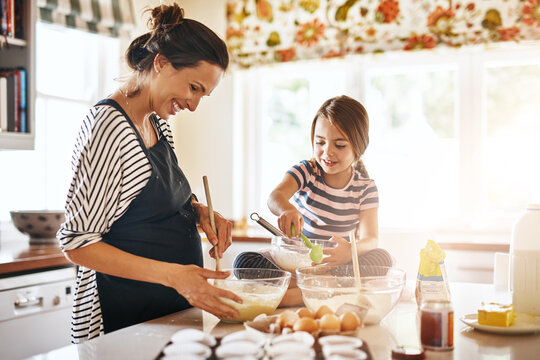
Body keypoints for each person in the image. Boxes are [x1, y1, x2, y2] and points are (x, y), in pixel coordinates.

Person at [57, 3, 242, 343]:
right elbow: (77, 242)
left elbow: (153, 200)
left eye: (204, 94)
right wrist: (175, 276)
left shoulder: (157, 123)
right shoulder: (108, 128)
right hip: (118, 322)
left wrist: (198, 211)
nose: (194, 104)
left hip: (164, 317)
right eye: (194, 88)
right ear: (161, 63)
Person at [234, 95, 393, 306]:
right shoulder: (307, 171)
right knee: (244, 262)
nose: (327, 152)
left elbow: (371, 238)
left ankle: (295, 293)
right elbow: (275, 197)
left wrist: (349, 252)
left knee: (382, 258)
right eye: (320, 142)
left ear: (358, 147)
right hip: (296, 265)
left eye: (339, 145)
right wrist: (286, 209)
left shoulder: (365, 188)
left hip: (337, 265)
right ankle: (323, 289)